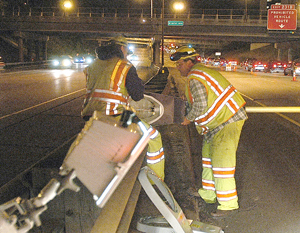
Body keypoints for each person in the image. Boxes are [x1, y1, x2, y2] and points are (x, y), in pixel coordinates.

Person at [170, 46, 248, 217]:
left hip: (226, 120)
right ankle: (209, 193)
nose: (178, 66)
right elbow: (200, 100)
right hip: (216, 123)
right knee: (207, 158)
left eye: (180, 63)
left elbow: (200, 106)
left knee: (221, 163)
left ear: (190, 62)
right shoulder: (199, 74)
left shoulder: (196, 77)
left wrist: (187, 119)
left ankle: (228, 204)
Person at [81, 36, 165, 180]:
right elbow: (138, 95)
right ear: (121, 48)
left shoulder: (92, 66)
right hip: (116, 115)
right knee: (153, 137)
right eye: (127, 50)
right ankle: (155, 180)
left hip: (91, 115)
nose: (127, 54)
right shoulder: (124, 66)